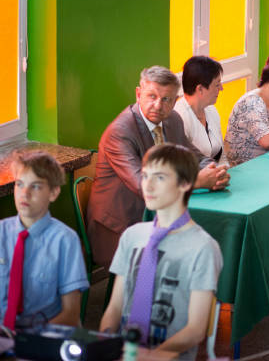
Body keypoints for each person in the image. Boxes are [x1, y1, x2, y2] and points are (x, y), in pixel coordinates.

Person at [87, 66, 230, 269]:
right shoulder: (119, 132)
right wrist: (198, 181)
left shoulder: (172, 120)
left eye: (166, 99)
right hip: (121, 227)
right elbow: (143, 185)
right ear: (138, 94)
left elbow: (195, 157)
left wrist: (214, 171)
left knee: (210, 245)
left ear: (175, 101)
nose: (158, 105)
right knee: (187, 255)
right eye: (151, 96)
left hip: (161, 215)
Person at [101, 144, 222, 358]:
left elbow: (196, 329)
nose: (148, 186)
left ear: (185, 183)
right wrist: (106, 347)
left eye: (160, 178)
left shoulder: (203, 247)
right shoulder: (132, 236)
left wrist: (148, 357)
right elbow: (114, 308)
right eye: (145, 176)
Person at [0, 151, 88, 330]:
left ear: (53, 193)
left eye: (36, 187)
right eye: (19, 184)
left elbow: (71, 313)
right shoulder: (1, 232)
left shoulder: (65, 240)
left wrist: (27, 339)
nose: (25, 194)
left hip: (41, 334)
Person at [174, 56, 225, 163]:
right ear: (200, 89)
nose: (221, 88)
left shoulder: (211, 109)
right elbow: (181, 165)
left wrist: (225, 169)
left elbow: (222, 156)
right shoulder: (179, 118)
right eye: (217, 84)